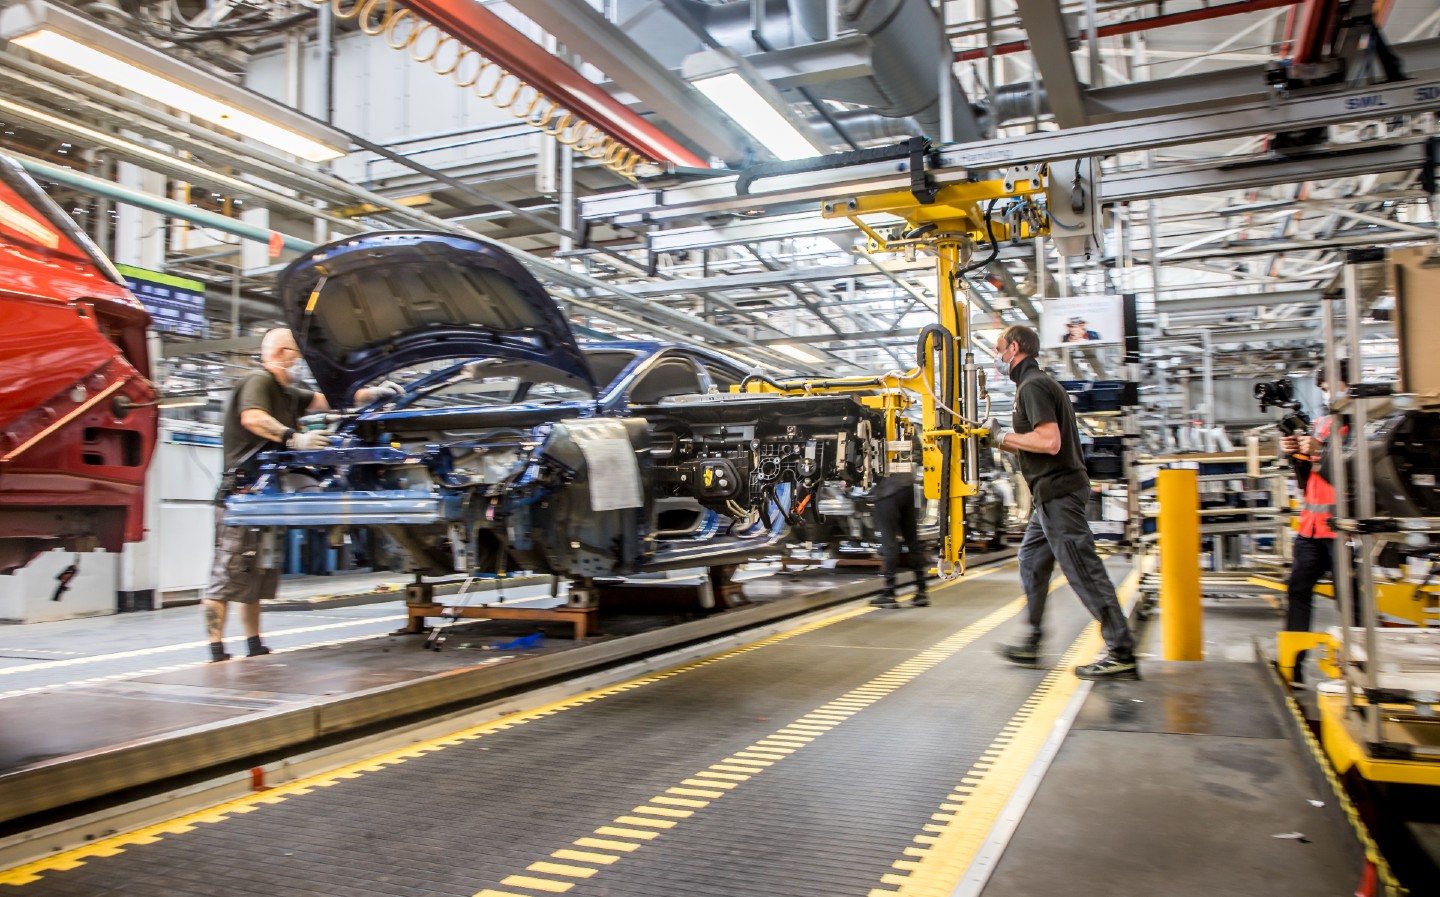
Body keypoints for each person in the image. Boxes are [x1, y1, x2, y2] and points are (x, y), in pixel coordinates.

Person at [203, 328, 399, 662]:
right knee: (227, 576)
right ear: (280, 352)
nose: (300, 362)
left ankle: (253, 644)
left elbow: (327, 400)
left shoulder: (288, 392)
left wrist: (371, 394)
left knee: (256, 579)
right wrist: (293, 438)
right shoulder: (258, 380)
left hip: (266, 499)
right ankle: (216, 649)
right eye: (297, 354)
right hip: (241, 497)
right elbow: (252, 418)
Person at [986, 324, 1138, 680]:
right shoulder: (1037, 384)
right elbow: (1037, 441)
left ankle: (1121, 650)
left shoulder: (1034, 385)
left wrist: (1003, 435)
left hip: (1058, 492)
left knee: (1082, 569)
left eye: (999, 347)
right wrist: (997, 440)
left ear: (1015, 347)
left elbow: (1049, 442)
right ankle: (1032, 640)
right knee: (1030, 559)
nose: (997, 356)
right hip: (1048, 495)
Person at [1278, 360, 1348, 681]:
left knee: (1351, 600)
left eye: (1332, 386)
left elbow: (1354, 471)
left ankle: (1357, 670)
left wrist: (1322, 451)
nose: (1327, 394)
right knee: (1297, 591)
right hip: (1311, 527)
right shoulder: (1322, 424)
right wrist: (1296, 455)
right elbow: (1309, 481)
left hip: (1345, 529)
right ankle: (1292, 668)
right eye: (1323, 389)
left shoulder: (1364, 423)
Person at [870, 431, 928, 609]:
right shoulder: (906, 427)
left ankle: (890, 592)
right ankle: (921, 592)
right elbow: (920, 455)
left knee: (889, 543)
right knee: (912, 541)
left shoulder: (871, 424)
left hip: (886, 492)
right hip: (907, 488)